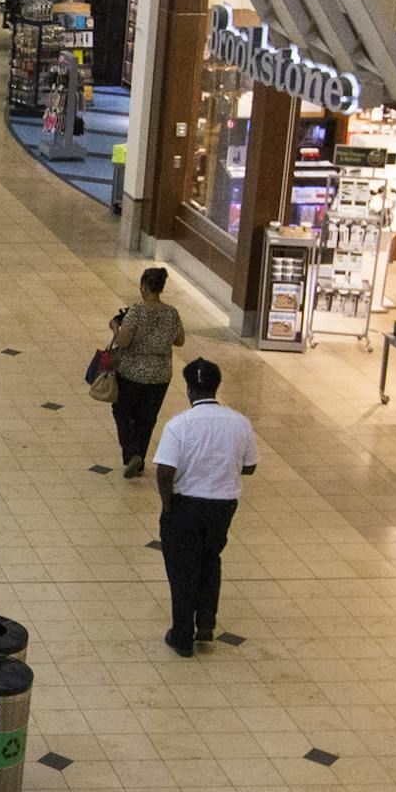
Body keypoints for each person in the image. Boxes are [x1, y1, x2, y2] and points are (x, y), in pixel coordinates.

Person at [154, 359, 258, 657]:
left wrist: (167, 504)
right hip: (223, 506)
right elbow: (249, 467)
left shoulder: (179, 425)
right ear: (216, 386)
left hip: (185, 505)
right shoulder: (239, 422)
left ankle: (182, 635)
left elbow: (164, 471)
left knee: (182, 569)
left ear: (188, 389)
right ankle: (206, 624)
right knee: (210, 561)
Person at [110, 266, 187, 477]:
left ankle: (132, 454)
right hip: (160, 376)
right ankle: (140, 460)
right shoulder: (172, 313)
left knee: (123, 412)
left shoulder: (137, 311)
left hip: (132, 373)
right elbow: (179, 341)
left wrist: (116, 328)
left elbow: (123, 342)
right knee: (147, 418)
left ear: (144, 286)